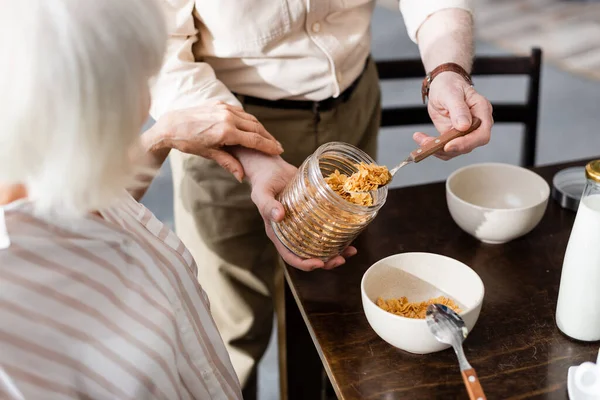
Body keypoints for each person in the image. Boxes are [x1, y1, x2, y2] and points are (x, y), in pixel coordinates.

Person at [150, 0, 494, 397]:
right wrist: (255, 156)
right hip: (225, 124)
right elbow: (158, 52)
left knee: (335, 315)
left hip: (353, 105)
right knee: (228, 331)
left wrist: (447, 70)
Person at [0, 0, 286, 398]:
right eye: (141, 80)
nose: (143, 107)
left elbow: (97, 205)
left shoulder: (59, 173)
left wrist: (162, 135)